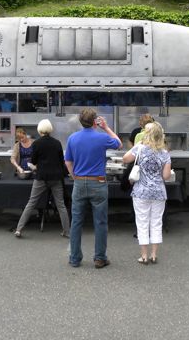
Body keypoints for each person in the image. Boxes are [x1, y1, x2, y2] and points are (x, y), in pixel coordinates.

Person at [64, 108, 122, 268]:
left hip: (79, 182)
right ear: (95, 121)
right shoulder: (101, 138)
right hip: (98, 182)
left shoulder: (73, 138)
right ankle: (99, 258)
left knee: (76, 221)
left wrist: (74, 176)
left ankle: (75, 258)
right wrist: (106, 128)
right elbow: (119, 143)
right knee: (101, 221)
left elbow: (68, 161)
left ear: (81, 121)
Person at [122, 122, 171, 265]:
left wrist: (139, 145)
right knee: (156, 222)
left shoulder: (140, 148)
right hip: (158, 193)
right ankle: (154, 255)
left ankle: (143, 256)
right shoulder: (165, 153)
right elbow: (166, 176)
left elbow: (125, 159)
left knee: (142, 223)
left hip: (141, 192)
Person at [14, 119, 70, 238]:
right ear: (50, 129)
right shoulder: (57, 143)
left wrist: (35, 165)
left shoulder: (37, 143)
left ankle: (19, 229)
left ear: (40, 130)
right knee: (60, 205)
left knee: (31, 202)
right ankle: (67, 231)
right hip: (56, 178)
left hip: (41, 177)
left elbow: (33, 161)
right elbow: (61, 161)